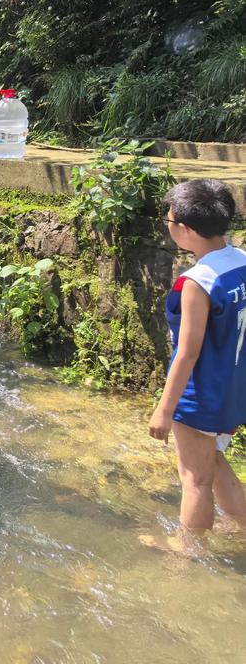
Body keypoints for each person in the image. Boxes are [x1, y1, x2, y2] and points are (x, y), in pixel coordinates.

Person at [149, 178, 246, 543]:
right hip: (231, 387)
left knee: (195, 480)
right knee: (213, 462)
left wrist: (164, 410)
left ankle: (187, 554)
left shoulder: (197, 283)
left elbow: (188, 352)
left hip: (200, 395)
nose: (168, 225)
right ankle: (242, 527)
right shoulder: (241, 261)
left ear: (186, 229)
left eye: (169, 219)